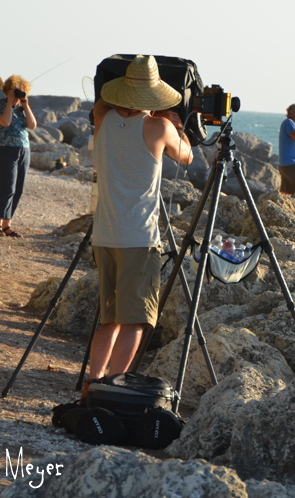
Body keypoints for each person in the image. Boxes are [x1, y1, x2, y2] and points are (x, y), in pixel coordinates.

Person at [86, 55, 193, 390]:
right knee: (135, 321)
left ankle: (93, 382)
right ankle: (113, 387)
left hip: (104, 234)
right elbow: (186, 156)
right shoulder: (159, 127)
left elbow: (102, 101)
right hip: (139, 238)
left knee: (109, 320)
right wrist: (178, 127)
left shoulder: (102, 117)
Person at [0, 75, 37, 237]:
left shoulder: (22, 108)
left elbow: (32, 125)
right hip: (5, 149)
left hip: (23, 150)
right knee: (7, 187)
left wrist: (26, 105)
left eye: (22, 91)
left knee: (18, 188)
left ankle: (7, 225)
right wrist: (9, 103)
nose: (19, 94)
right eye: (16, 91)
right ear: (8, 91)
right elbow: (5, 122)